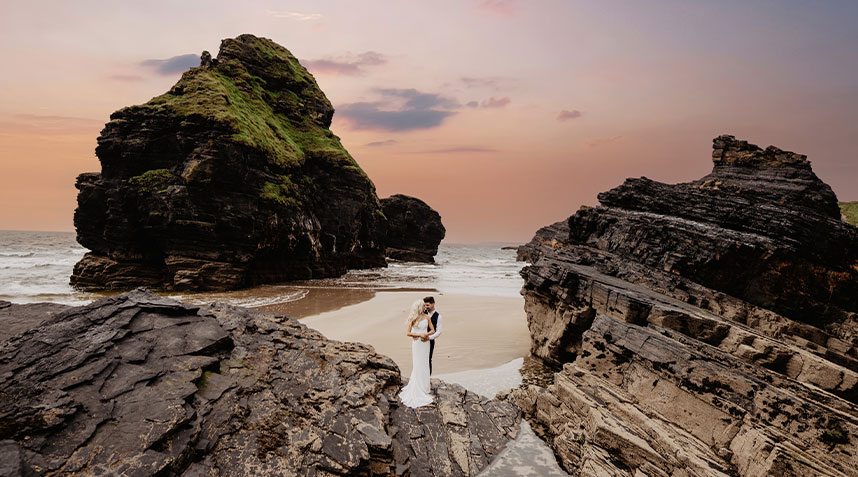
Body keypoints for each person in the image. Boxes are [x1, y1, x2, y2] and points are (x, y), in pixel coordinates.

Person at [399, 299, 435, 408]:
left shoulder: (427, 317)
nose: (425, 307)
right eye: (424, 306)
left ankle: (424, 387)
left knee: (424, 363)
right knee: (418, 363)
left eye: (426, 306)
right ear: (419, 307)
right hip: (417, 344)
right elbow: (408, 333)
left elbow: (432, 330)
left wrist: (426, 334)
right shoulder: (413, 318)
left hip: (425, 343)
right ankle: (417, 386)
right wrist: (419, 335)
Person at [421, 296, 442, 375]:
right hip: (420, 340)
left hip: (430, 341)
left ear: (433, 304)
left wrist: (429, 338)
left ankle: (427, 378)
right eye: (425, 305)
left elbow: (439, 331)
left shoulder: (438, 317)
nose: (426, 307)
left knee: (428, 359)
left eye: (428, 305)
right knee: (420, 358)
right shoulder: (422, 313)